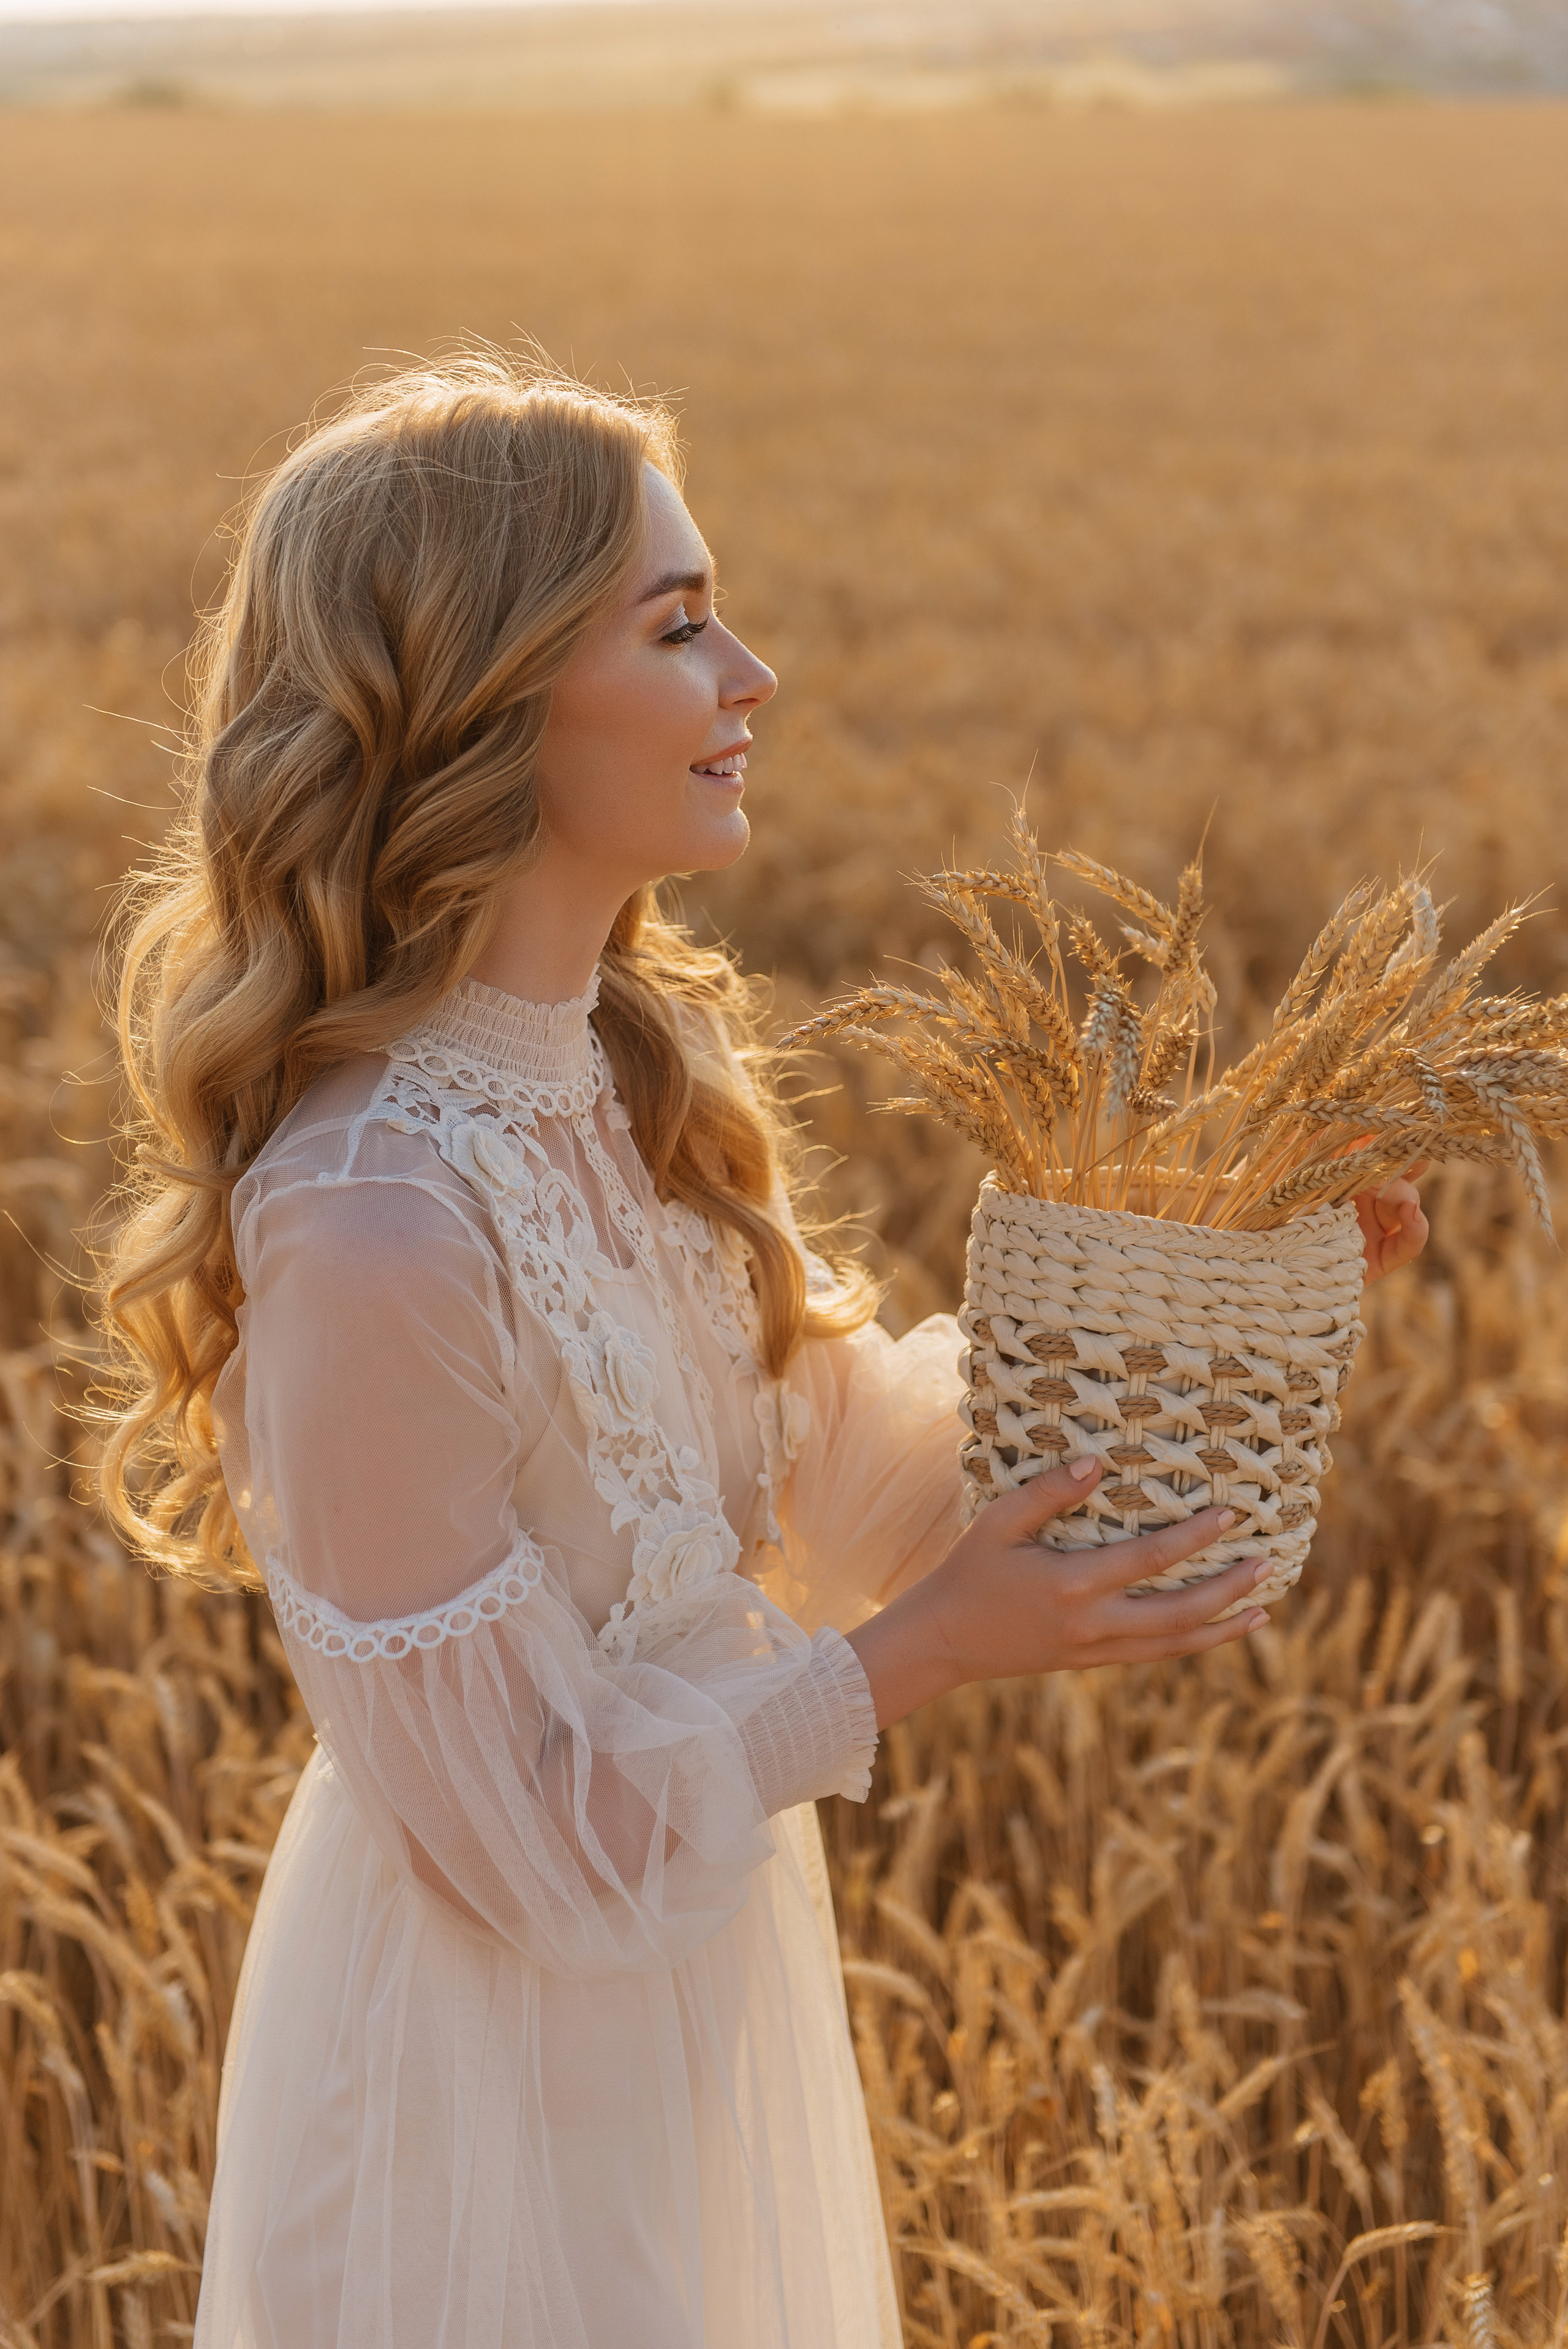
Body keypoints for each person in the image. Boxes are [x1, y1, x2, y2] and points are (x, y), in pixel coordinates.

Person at [100, 351, 1428, 2349]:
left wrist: (1203, 1277)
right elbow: (530, 1846)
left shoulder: (630, 1089)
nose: (756, 676)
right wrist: (916, 1660)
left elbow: (855, 1485)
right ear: (483, 693)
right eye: (679, 624)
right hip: (475, 2087)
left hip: (684, 1999)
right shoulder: (369, 1216)